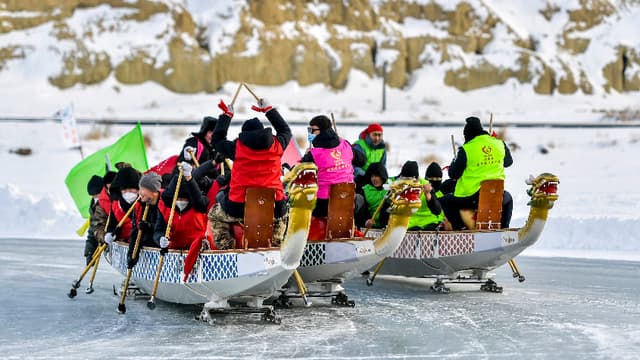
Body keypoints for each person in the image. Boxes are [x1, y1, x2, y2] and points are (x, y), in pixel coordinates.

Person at [208, 97, 292, 249]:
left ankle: (228, 248)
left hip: (239, 206)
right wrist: (269, 110)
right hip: (274, 205)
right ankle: (275, 245)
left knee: (214, 215)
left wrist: (226, 117)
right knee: (282, 215)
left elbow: (217, 140)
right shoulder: (277, 145)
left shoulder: (237, 147)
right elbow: (286, 130)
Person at [440, 117, 513, 230]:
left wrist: (455, 160)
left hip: (472, 198)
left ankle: (461, 229)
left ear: (467, 135)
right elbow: (508, 162)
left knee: (445, 201)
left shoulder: (466, 149)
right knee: (508, 198)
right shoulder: (499, 143)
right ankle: (504, 228)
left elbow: (453, 174)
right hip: (497, 195)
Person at [301, 115, 365, 218]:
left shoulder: (314, 154)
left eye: (312, 130)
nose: (310, 133)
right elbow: (362, 160)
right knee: (360, 199)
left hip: (323, 204)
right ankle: (353, 226)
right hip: (347, 199)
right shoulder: (345, 145)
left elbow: (300, 171)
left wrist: (306, 156)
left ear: (322, 131)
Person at [154, 162, 215, 251]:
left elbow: (200, 202)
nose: (181, 201)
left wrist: (189, 179)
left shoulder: (199, 204)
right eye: (178, 199)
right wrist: (160, 239)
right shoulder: (164, 208)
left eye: (184, 199)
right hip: (174, 251)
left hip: (198, 250)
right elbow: (158, 230)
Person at [127, 172, 163, 268]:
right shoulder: (139, 205)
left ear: (154, 191)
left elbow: (167, 228)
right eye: (140, 189)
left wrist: (150, 226)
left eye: (143, 189)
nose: (140, 193)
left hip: (161, 245)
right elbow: (135, 231)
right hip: (146, 243)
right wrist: (131, 254)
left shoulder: (165, 203)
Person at [104, 166, 142, 244]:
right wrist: (110, 234)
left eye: (132, 189)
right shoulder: (115, 206)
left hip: (142, 244)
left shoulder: (146, 203)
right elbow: (112, 224)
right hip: (124, 245)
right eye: (124, 189)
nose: (128, 192)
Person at [407, 161, 444, 231]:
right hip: (412, 223)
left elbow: (438, 211)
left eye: (438, 179)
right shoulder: (405, 187)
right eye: (432, 179)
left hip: (432, 222)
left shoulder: (441, 191)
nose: (435, 181)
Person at [355, 162, 390, 229]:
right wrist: (366, 221)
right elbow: (362, 211)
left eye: (377, 176)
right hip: (370, 227)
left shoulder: (390, 188)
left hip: (387, 226)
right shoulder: (365, 190)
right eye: (372, 176)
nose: (374, 179)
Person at [353, 123, 386, 190]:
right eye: (374, 135)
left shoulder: (382, 148)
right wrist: (368, 178)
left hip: (376, 180)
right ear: (369, 134)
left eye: (379, 135)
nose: (377, 138)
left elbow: (383, 166)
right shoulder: (359, 146)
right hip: (360, 178)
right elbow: (355, 166)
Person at [84, 175, 103, 265]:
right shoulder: (94, 207)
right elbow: (93, 229)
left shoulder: (112, 203)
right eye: (93, 196)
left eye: (97, 195)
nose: (96, 198)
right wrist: (89, 252)